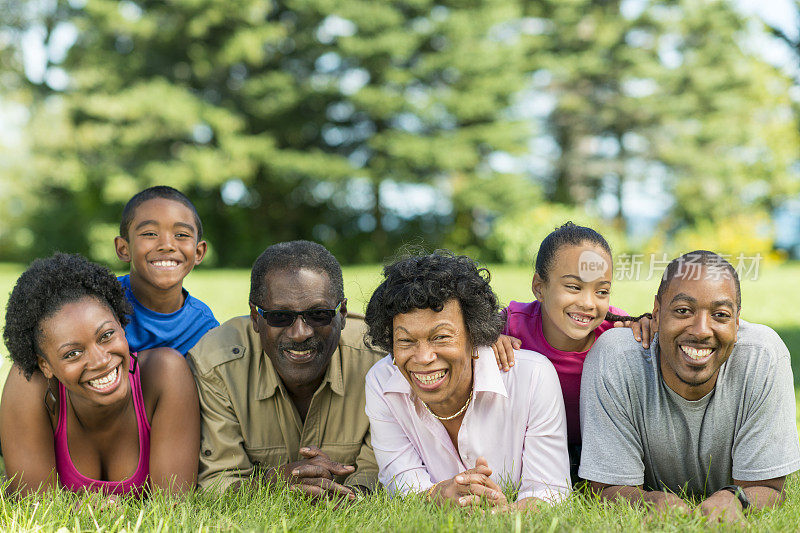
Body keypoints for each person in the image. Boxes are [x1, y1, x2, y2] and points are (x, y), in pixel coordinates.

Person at [579, 251, 800, 523]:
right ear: (657, 313)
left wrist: (736, 499)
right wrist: (650, 501)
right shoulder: (616, 359)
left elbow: (768, 487)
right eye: (683, 311)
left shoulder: (763, 357)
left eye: (720, 315)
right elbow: (605, 488)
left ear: (737, 321)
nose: (701, 330)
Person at [364, 252, 571, 510]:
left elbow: (549, 491)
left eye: (441, 337)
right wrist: (438, 496)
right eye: (406, 341)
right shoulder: (382, 383)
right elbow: (403, 484)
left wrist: (506, 515)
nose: (424, 357)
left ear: (474, 333)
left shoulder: (533, 377)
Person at [188, 240, 383, 500]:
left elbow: (382, 470)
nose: (300, 333)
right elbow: (217, 481)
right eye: (280, 316)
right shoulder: (217, 364)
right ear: (256, 318)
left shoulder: (379, 360)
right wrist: (276, 483)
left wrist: (352, 496)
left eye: (319, 315)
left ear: (343, 313)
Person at [0, 253, 200, 496]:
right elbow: (34, 504)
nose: (101, 361)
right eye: (73, 353)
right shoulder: (31, 384)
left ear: (121, 324)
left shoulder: (165, 373)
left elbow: (174, 504)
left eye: (106, 336)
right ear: (45, 366)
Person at [491, 222, 651, 482]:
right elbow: (464, 335)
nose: (588, 303)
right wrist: (488, 340)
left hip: (597, 451)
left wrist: (648, 327)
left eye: (601, 291)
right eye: (574, 287)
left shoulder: (619, 331)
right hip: (531, 450)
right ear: (539, 288)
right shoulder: (513, 324)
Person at [114, 185, 218, 355]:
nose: (167, 245)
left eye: (182, 235)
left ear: (198, 252)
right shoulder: (101, 304)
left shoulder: (204, 328)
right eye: (150, 234)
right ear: (123, 249)